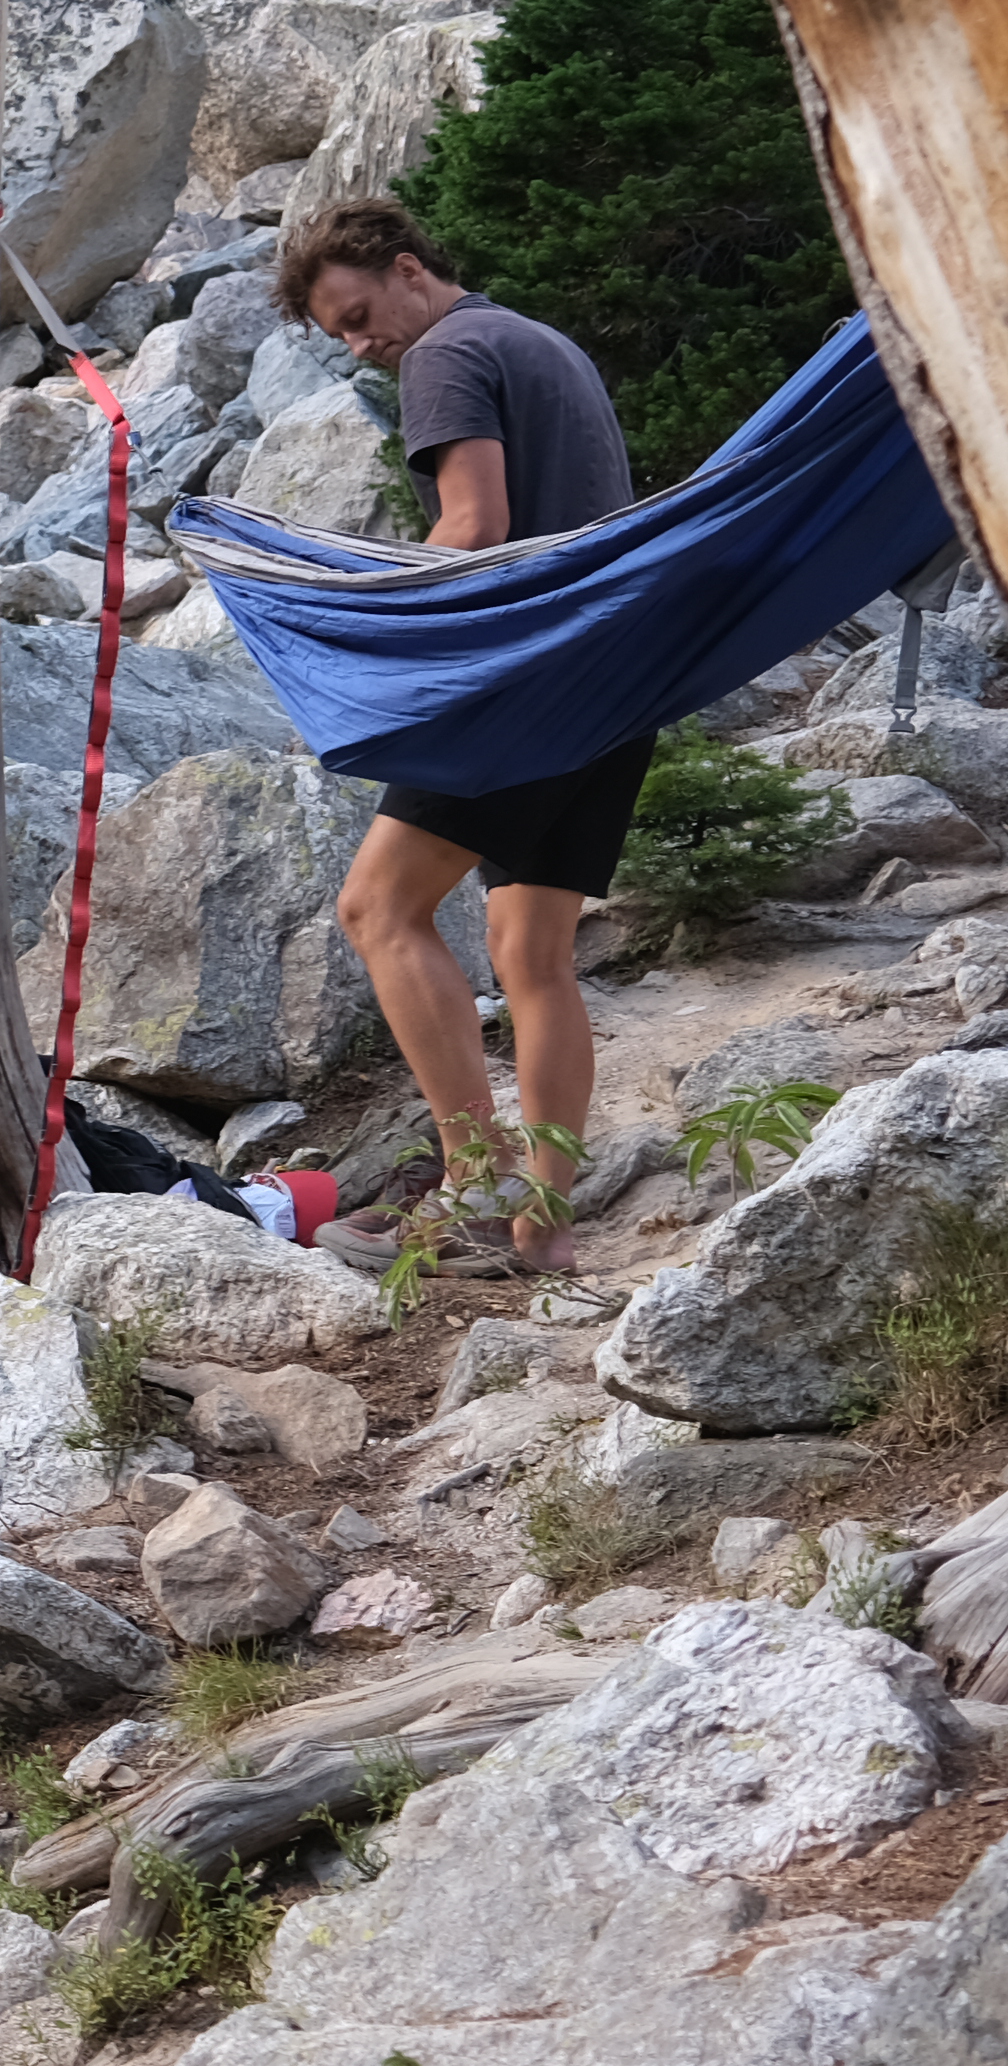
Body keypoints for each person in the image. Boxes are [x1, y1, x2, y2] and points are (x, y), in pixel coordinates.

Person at [291, 197, 637, 1278]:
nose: (361, 343)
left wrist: (377, 632)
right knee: (533, 955)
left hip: (520, 687)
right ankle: (542, 1223)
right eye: (338, 336)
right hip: (615, 684)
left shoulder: (445, 352)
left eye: (358, 314)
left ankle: (472, 1186)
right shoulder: (541, 343)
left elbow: (473, 529)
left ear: (407, 268)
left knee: (378, 907)